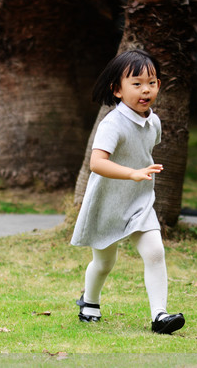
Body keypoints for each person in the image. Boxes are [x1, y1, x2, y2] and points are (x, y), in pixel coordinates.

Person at [70, 49, 185, 335]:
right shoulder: (112, 124)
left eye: (152, 82)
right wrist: (132, 173)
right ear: (117, 90)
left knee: (155, 252)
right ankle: (89, 301)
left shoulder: (153, 122)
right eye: (136, 83)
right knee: (104, 262)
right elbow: (97, 163)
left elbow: (144, 151)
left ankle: (159, 316)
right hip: (107, 203)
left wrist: (139, 177)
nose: (146, 89)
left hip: (139, 201)